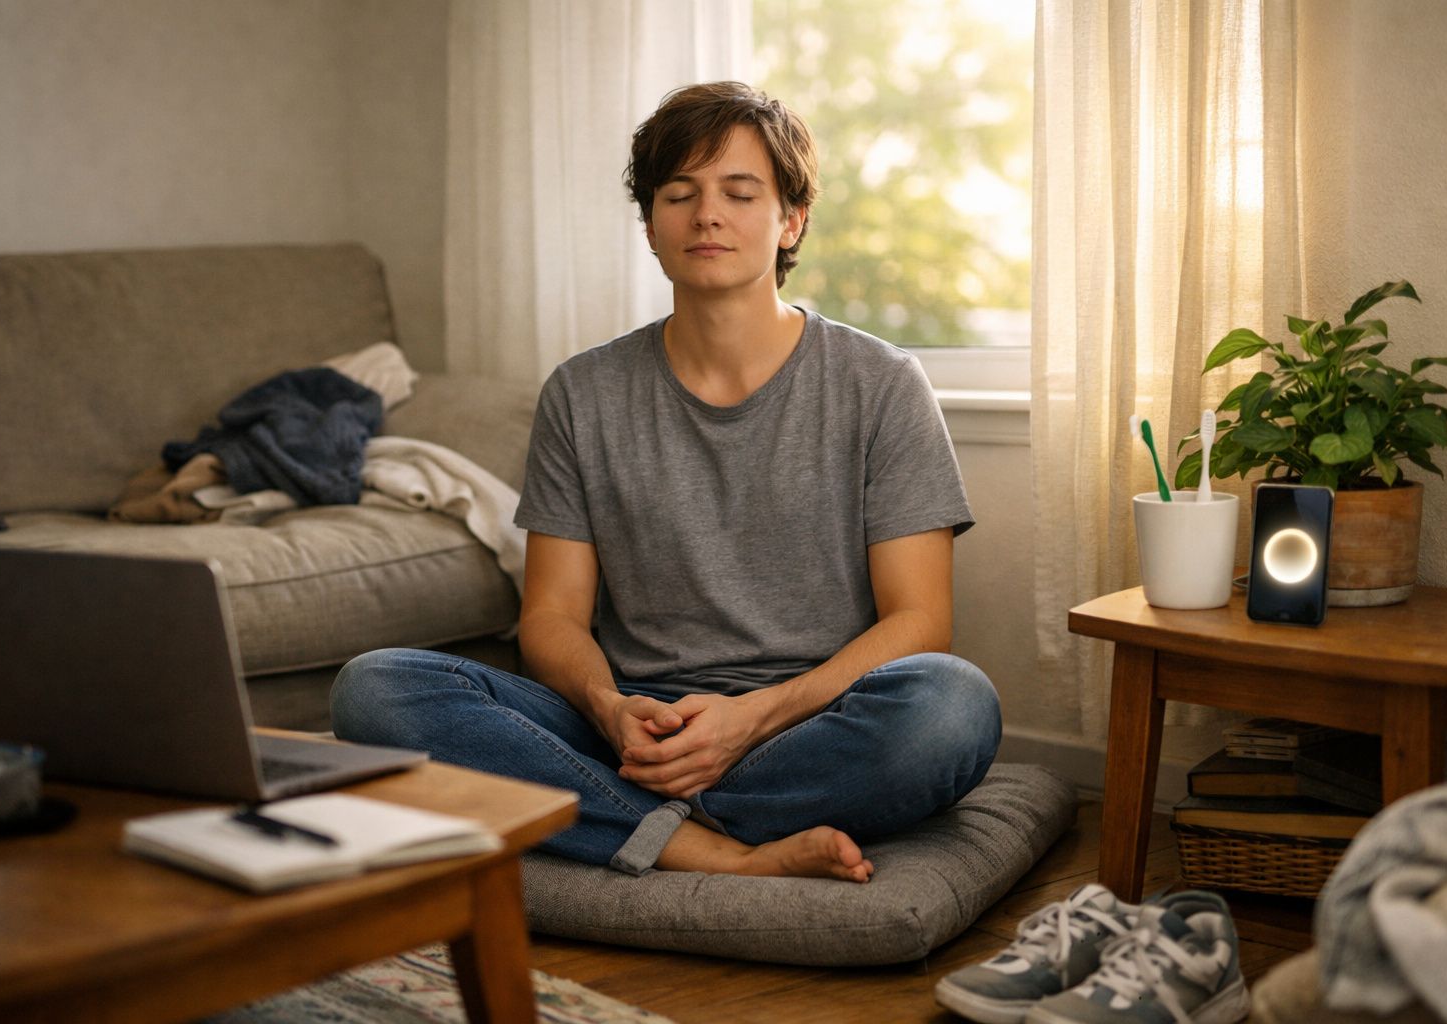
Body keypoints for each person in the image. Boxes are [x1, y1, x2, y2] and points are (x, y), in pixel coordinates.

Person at [331, 81, 1001, 884]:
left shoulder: (881, 382)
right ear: (651, 226)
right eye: (678, 194)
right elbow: (549, 616)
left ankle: (607, 819)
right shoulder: (583, 393)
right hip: (627, 735)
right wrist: (613, 712)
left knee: (952, 706)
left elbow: (921, 621)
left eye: (738, 193)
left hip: (805, 722)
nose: (706, 215)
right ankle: (711, 849)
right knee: (375, 690)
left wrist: (751, 720)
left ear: (791, 220)